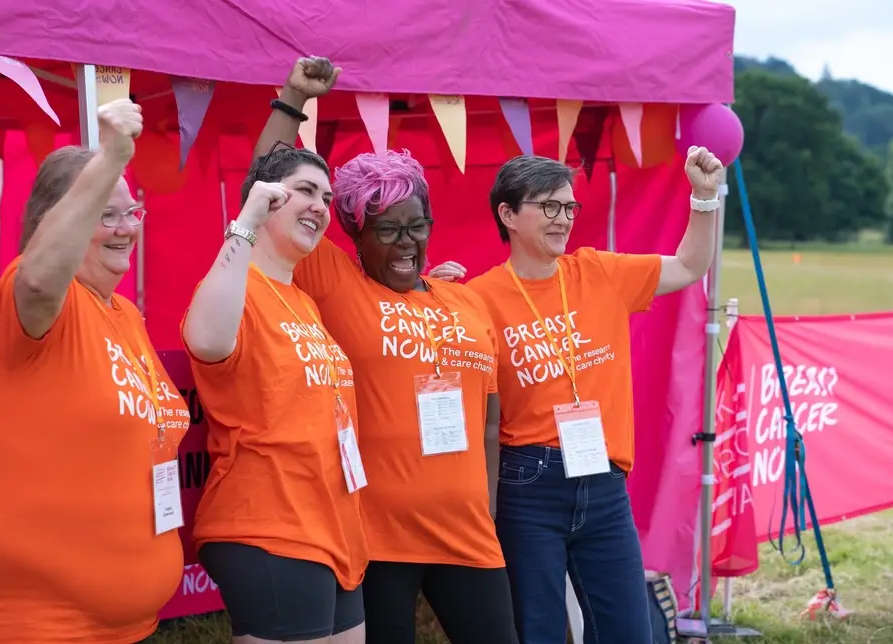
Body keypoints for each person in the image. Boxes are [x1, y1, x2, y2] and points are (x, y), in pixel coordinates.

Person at [255, 58, 519, 644]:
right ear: (353, 233)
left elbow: (491, 423)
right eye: (387, 230)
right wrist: (293, 97)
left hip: (470, 535)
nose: (408, 244)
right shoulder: (338, 285)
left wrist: (490, 510)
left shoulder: (467, 302)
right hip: (376, 537)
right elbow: (264, 186)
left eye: (417, 226)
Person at [0, 100, 192, 643]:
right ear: (51, 224)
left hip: (125, 623)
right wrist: (111, 156)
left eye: (132, 212)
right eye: (105, 214)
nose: (126, 228)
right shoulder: (30, 301)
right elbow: (40, 281)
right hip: (32, 621)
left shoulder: (125, 314)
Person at [461, 150, 723, 644]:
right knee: (535, 630)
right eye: (549, 207)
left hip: (603, 481)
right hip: (527, 483)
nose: (563, 220)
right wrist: (437, 295)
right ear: (508, 214)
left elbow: (689, 265)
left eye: (569, 207)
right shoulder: (477, 298)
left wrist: (704, 197)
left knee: (628, 631)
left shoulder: (598, 272)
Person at [181, 57, 368, 644]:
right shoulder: (235, 283)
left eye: (327, 196)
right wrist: (247, 214)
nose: (320, 205)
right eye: (305, 191)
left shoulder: (303, 298)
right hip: (268, 524)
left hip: (333, 525)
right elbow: (208, 341)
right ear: (264, 202)